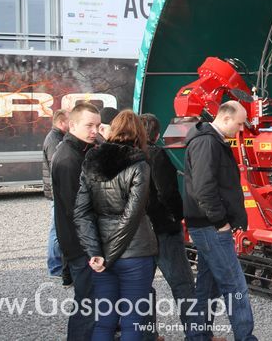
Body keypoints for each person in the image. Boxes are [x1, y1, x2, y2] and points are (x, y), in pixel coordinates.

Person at [74, 110, 158, 341]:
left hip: (101, 254)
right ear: (140, 134)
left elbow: (81, 213)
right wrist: (106, 257)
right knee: (133, 322)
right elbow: (132, 217)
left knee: (104, 322)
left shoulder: (91, 161)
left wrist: (96, 254)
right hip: (135, 252)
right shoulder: (140, 165)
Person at [184, 101, 258, 341]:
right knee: (235, 286)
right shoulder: (207, 142)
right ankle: (245, 338)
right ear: (226, 118)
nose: (239, 129)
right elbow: (204, 188)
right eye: (238, 123)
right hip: (211, 226)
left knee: (207, 286)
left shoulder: (208, 139)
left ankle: (198, 336)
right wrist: (220, 222)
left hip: (205, 224)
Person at [139, 113, 201, 339]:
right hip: (164, 229)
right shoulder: (157, 156)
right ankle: (196, 335)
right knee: (183, 284)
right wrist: (178, 216)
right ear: (157, 134)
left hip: (140, 231)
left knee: (142, 288)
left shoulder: (130, 156)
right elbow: (167, 192)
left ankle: (147, 335)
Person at [52, 102, 100, 340]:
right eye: (89, 125)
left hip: (81, 242)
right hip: (81, 245)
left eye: (97, 126)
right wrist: (93, 249)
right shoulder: (69, 158)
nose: (95, 131)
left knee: (91, 301)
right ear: (72, 125)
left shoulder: (79, 151)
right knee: (87, 303)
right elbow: (77, 211)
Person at [43, 109, 70, 282]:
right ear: (61, 123)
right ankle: (55, 266)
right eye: (70, 122)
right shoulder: (55, 140)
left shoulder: (56, 138)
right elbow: (58, 167)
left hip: (56, 192)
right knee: (56, 230)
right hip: (57, 193)